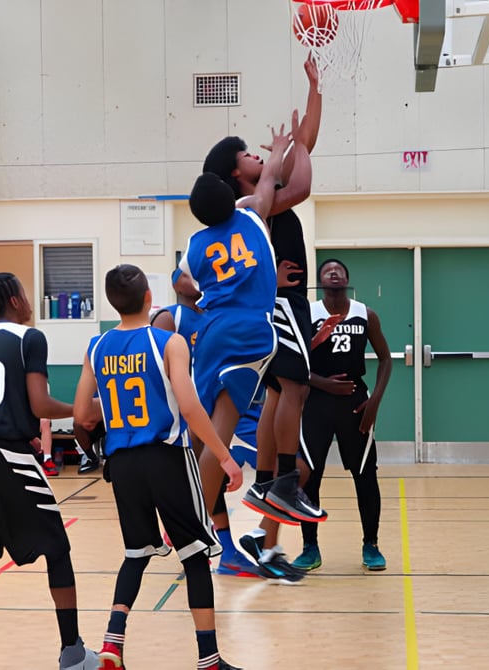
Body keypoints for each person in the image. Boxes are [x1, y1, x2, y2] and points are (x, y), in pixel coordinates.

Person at [73, 264, 243, 670]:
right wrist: (223, 454)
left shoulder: (96, 347)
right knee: (196, 554)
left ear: (113, 303)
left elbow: (81, 414)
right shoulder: (169, 342)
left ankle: (112, 645)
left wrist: (115, 411)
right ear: (150, 298)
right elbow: (188, 405)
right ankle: (209, 659)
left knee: (136, 553)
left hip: (123, 463)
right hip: (166, 457)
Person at [203, 58, 330, 574]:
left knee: (283, 392)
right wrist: (284, 154)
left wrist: (314, 87)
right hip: (276, 308)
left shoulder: (261, 196)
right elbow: (299, 182)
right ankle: (271, 487)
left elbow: (304, 158)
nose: (261, 156)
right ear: (237, 172)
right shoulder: (250, 203)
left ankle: (267, 508)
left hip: (277, 306)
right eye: (251, 155)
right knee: (292, 390)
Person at [0, 272, 96, 670]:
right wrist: (82, 410)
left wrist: (13, 429)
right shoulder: (30, 338)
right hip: (3, 452)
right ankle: (73, 652)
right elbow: (41, 404)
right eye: (25, 293)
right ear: (14, 300)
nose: (29, 299)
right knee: (57, 547)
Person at [181, 120, 299, 581]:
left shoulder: (194, 246)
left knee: (201, 430)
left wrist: (209, 290)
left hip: (209, 331)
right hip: (250, 331)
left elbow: (186, 284)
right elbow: (269, 180)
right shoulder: (250, 218)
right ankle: (193, 527)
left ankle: (182, 510)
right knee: (222, 432)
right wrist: (283, 148)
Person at [150, 266, 258, 577]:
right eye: (187, 275)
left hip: (220, 406)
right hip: (187, 414)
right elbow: (158, 372)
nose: (196, 280)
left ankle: (224, 550)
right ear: (175, 282)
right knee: (200, 481)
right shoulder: (171, 318)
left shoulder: (218, 315)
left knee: (210, 482)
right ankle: (194, 536)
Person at [293, 258, 392, 572]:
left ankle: (371, 544)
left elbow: (386, 360)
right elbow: (294, 364)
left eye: (339, 269)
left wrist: (374, 402)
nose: (333, 272)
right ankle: (310, 547)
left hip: (355, 404)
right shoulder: (308, 314)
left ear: (347, 279)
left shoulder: (366, 315)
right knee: (309, 476)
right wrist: (323, 384)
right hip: (316, 404)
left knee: (365, 475)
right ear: (321, 281)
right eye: (327, 269)